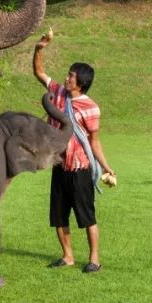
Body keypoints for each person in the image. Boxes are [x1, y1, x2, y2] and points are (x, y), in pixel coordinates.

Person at [33, 29, 115, 273]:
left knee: (86, 216)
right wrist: (39, 48)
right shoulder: (57, 93)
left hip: (80, 169)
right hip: (59, 165)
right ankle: (67, 256)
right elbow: (39, 72)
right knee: (58, 216)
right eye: (68, 75)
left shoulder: (91, 108)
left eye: (71, 76)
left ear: (81, 83)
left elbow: (94, 141)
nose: (66, 78)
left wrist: (107, 167)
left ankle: (94, 259)